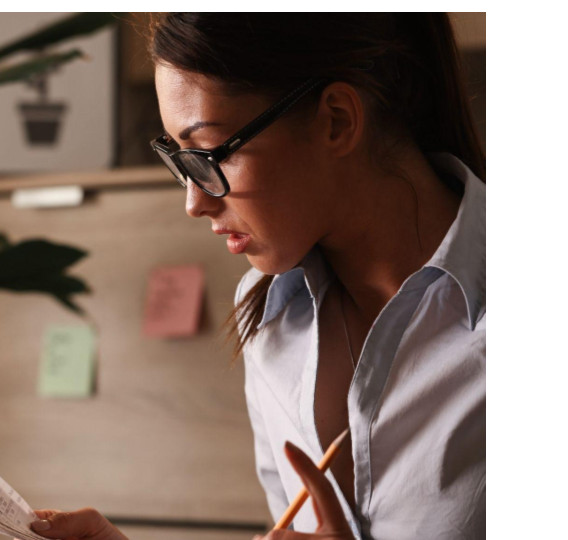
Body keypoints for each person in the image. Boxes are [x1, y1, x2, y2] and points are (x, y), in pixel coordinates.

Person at [29, 13, 485, 540]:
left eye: (207, 153)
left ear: (336, 120)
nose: (193, 202)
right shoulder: (269, 316)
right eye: (178, 158)